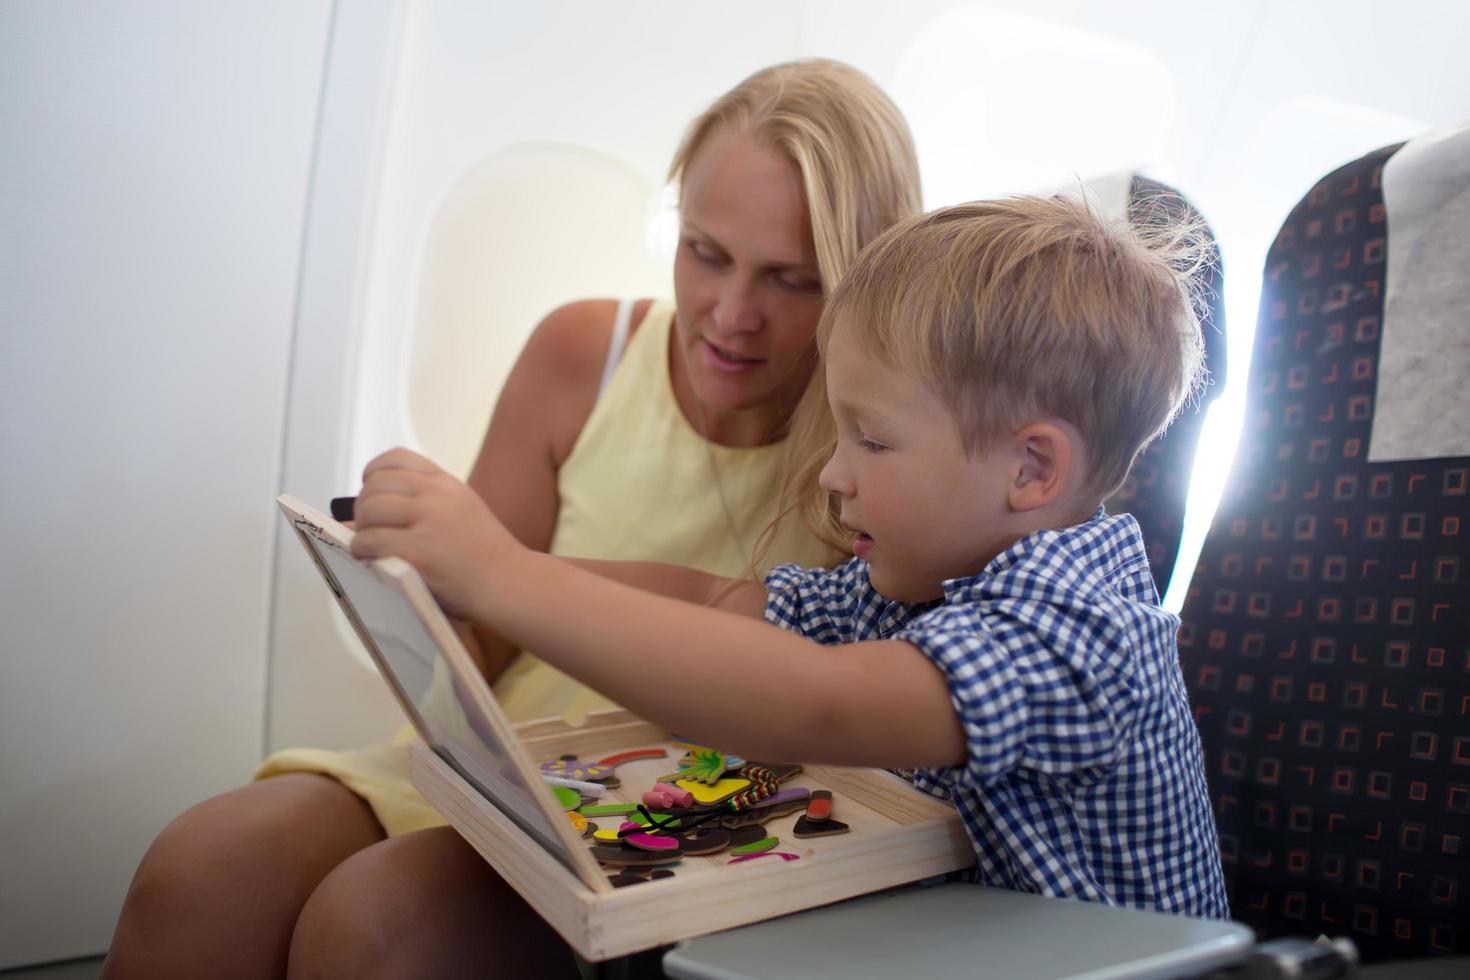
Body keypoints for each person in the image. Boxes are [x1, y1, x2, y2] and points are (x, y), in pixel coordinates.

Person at [102, 60, 921, 980]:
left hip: (680, 799)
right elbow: (483, 641)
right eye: (704, 252)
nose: (732, 315)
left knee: (370, 925)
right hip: (502, 756)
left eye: (790, 280)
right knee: (198, 868)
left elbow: (814, 682)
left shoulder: (880, 454)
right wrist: (414, 593)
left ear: (859, 279)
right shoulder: (585, 351)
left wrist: (497, 571)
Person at [347, 197, 1232, 950]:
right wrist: (490, 568)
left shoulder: (1079, 636)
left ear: (1031, 470)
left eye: (873, 440)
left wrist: (504, 578)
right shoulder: (925, 585)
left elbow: (820, 701)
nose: (832, 473)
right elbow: (722, 602)